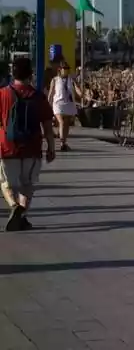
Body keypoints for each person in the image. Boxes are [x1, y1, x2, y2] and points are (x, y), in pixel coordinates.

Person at [0, 57, 56, 231]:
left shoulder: (2, 94)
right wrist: (51, 147)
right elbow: (47, 125)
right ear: (30, 74)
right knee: (28, 185)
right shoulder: (38, 96)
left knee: (6, 183)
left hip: (8, 147)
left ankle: (14, 206)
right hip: (32, 148)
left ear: (12, 73)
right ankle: (22, 215)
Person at [48, 51, 77, 151]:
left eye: (68, 69)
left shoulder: (71, 79)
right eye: (65, 69)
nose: (67, 70)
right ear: (60, 70)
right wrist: (48, 104)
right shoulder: (55, 80)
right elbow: (51, 93)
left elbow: (75, 90)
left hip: (68, 103)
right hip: (58, 104)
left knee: (67, 123)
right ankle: (61, 142)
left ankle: (64, 142)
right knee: (61, 122)